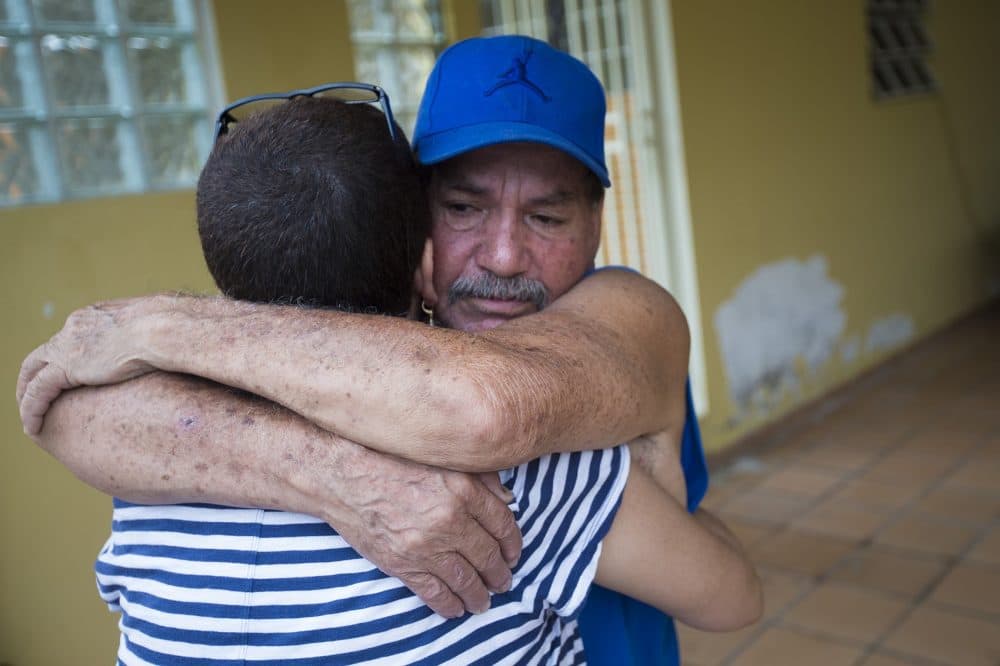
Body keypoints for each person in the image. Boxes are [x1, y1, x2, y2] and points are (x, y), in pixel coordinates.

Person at [18, 36, 759, 664]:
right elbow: (67, 415)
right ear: (412, 221)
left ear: (597, 223)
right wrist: (334, 475)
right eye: (463, 207)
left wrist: (156, 330)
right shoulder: (358, 364)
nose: (502, 256)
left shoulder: (631, 312)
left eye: (547, 215)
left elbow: (489, 403)